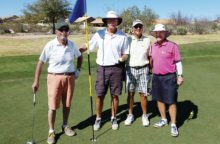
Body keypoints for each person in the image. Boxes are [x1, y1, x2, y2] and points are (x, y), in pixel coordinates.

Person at [32, 22, 82, 144]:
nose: (64, 32)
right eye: (61, 30)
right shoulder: (50, 45)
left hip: (69, 78)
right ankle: (51, 131)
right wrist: (36, 81)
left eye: (66, 29)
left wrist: (78, 70)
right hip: (54, 78)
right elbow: (41, 63)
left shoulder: (72, 45)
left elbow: (79, 56)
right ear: (57, 32)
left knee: (67, 104)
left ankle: (65, 125)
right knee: (53, 107)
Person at [80, 11, 129, 131]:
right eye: (110, 20)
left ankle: (113, 117)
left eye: (114, 20)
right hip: (102, 68)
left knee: (115, 95)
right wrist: (77, 51)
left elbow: (126, 53)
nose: (112, 22)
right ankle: (98, 118)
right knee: (100, 95)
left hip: (117, 68)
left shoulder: (123, 36)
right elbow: (88, 45)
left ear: (117, 22)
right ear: (106, 22)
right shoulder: (99, 34)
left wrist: (122, 58)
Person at [150, 24, 184, 137]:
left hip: (169, 77)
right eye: (156, 32)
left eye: (161, 32)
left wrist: (180, 75)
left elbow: (178, 62)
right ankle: (164, 119)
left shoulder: (172, 46)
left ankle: (173, 124)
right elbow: (151, 61)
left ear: (165, 34)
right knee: (159, 99)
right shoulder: (152, 46)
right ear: (154, 34)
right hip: (157, 77)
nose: (158, 34)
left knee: (171, 101)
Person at [124, 20, 151, 126]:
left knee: (143, 94)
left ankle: (144, 115)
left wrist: (151, 69)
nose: (138, 28)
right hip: (130, 69)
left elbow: (150, 56)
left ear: (142, 28)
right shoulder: (128, 39)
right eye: (136, 27)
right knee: (130, 93)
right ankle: (130, 114)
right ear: (132, 28)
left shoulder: (147, 40)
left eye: (140, 26)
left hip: (144, 68)